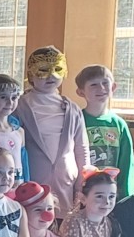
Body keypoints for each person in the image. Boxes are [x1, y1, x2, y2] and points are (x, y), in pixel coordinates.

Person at [17, 47, 88, 216]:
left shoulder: (73, 110)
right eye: (43, 70)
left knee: (64, 226)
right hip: (32, 185)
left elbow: (82, 149)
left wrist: (82, 184)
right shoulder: (19, 107)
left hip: (66, 185)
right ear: (31, 74)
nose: (51, 75)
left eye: (57, 69)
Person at [74, 64, 134, 198]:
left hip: (111, 196)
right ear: (81, 92)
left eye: (105, 83)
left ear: (113, 87)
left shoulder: (119, 124)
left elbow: (126, 163)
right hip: (83, 195)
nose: (101, 88)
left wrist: (126, 197)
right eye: (93, 85)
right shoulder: (76, 120)